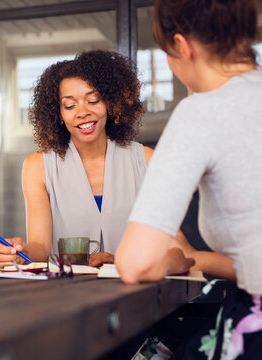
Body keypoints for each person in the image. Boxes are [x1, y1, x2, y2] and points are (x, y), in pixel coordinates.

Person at [116, 0, 262, 358]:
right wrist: (195, 258)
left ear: (182, 46)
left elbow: (137, 262)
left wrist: (168, 260)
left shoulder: (202, 112)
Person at [0, 50, 152, 268]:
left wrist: (123, 262)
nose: (82, 112)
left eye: (93, 100)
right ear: (58, 113)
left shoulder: (146, 160)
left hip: (136, 291)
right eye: (69, 105)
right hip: (67, 294)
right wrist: (20, 253)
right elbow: (40, 246)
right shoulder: (38, 166)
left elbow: (167, 244)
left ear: (110, 103)